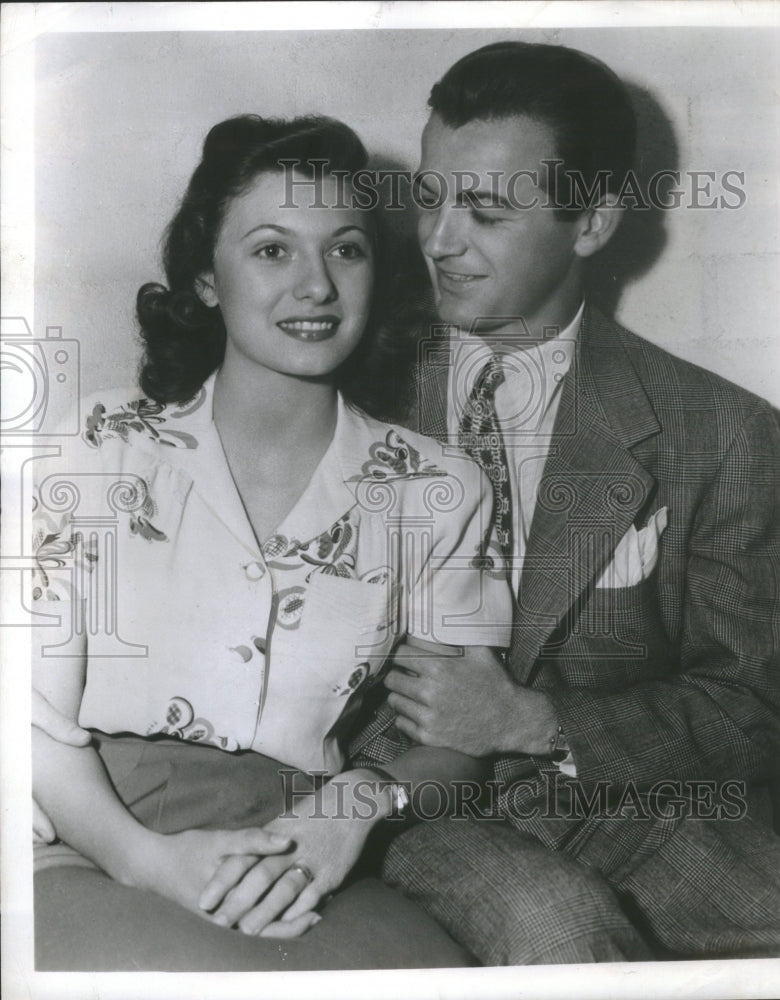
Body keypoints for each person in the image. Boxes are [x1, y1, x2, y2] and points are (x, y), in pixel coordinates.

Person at [30, 112, 521, 971]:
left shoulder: (439, 488)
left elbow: (460, 739)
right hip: (94, 838)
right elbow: (25, 724)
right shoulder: (98, 442)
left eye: (346, 249)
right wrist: (147, 861)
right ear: (207, 280)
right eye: (271, 250)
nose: (316, 286)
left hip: (302, 854)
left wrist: (357, 805)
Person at [373, 41, 780, 964]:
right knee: (557, 928)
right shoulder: (350, 383)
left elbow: (760, 705)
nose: (439, 239)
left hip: (633, 805)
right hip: (415, 810)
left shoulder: (723, 431)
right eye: (431, 198)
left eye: (483, 210)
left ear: (592, 221)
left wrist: (536, 724)